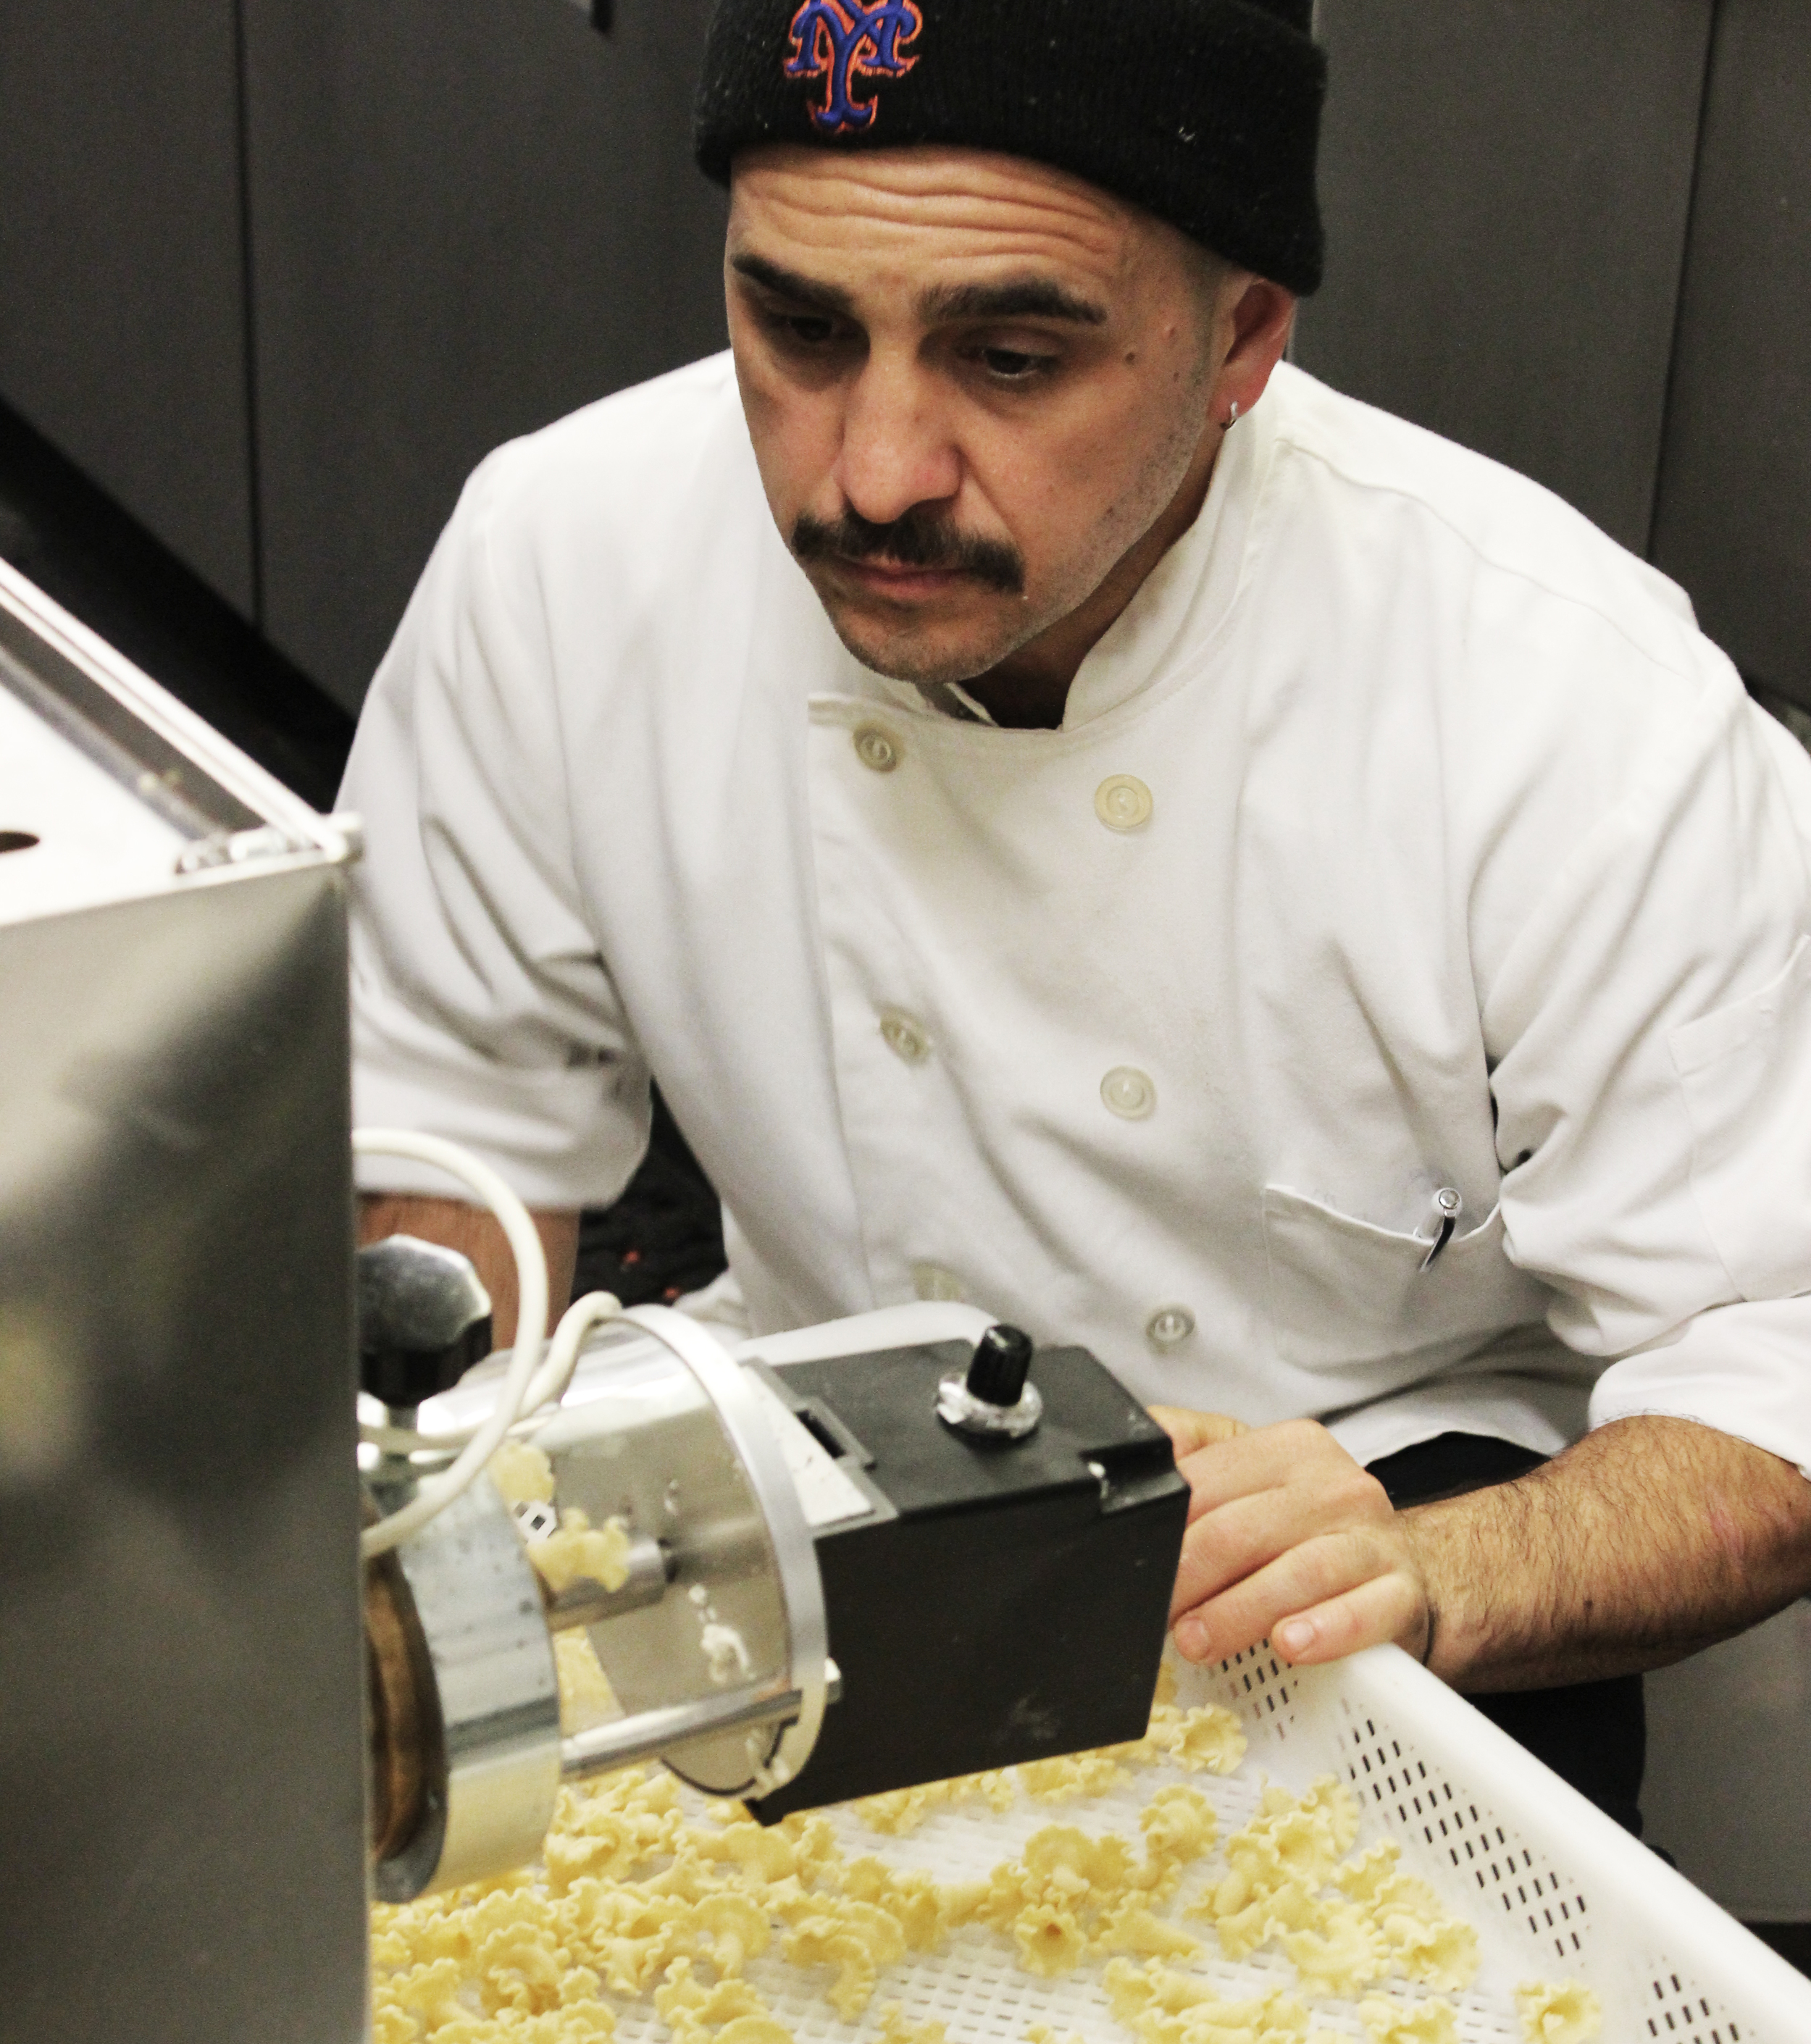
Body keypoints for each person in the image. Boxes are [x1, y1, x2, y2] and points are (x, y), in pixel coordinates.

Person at [348, 0, 1811, 1828]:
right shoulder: (565, 558)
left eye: (1013, 356)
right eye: (798, 327)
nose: (871, 468)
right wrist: (439, 1573)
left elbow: (1778, 1365)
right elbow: (456, 1128)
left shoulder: (1555, 706)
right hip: (802, 1470)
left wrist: (1446, 1571)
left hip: (1368, 1539)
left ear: (1239, 340)